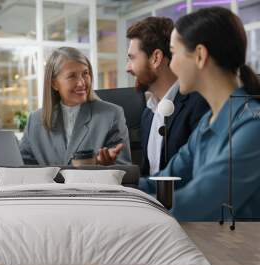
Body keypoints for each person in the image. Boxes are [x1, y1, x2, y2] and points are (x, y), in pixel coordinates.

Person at [139, 7, 260, 220]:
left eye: (173, 53)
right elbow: (165, 180)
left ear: (200, 55)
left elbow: (201, 202)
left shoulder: (253, 126)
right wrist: (114, 186)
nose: (171, 63)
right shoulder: (208, 122)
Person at [19, 47, 131, 165]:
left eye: (85, 74)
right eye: (72, 76)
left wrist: (102, 165)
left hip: (93, 183)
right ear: (54, 83)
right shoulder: (35, 120)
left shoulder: (111, 114)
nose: (81, 83)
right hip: (48, 184)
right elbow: (23, 166)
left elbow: (125, 168)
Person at [126, 17, 209, 176]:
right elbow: (148, 174)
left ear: (155, 58)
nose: (128, 68)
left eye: (132, 58)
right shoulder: (148, 114)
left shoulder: (199, 106)